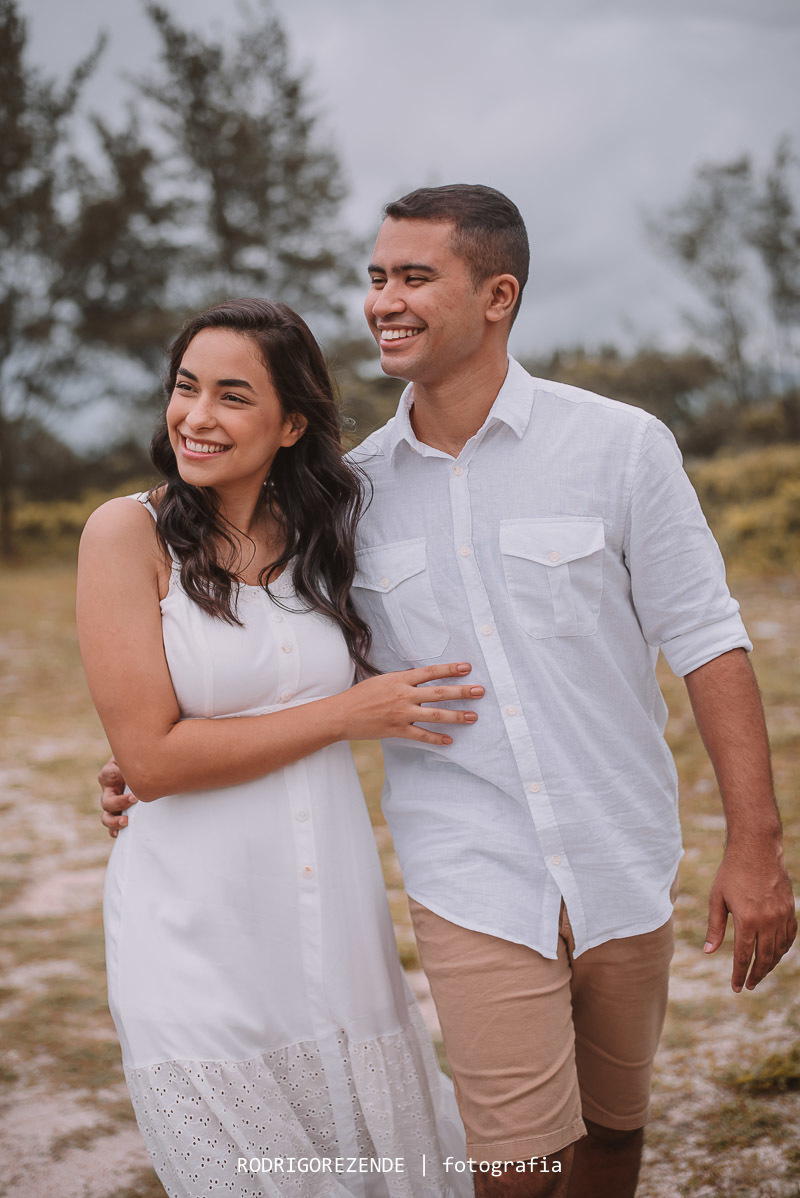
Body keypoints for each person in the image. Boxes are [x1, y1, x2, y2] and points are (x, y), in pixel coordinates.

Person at [101, 187, 797, 1198]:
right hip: (469, 871)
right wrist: (145, 752)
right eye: (377, 276)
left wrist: (756, 845)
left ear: (497, 295)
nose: (384, 300)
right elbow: (287, 650)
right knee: (516, 1167)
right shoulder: (348, 497)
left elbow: (706, 638)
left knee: (614, 1128)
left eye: (414, 277)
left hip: (622, 850)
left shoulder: (621, 446)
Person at [78, 297, 477, 1198]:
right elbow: (152, 763)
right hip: (191, 927)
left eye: (233, 396)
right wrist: (342, 715)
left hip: (332, 919)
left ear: (293, 424)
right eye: (186, 387)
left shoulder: (327, 537)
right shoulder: (126, 535)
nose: (197, 416)